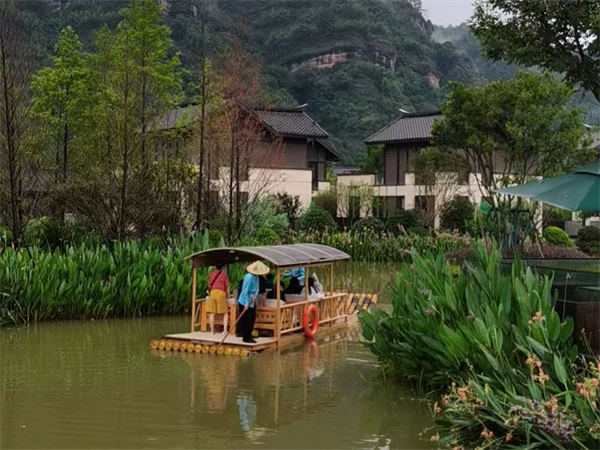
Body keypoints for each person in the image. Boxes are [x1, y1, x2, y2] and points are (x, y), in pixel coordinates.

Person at [237, 261, 269, 343]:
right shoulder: (249, 277)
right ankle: (245, 337)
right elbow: (245, 290)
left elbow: (257, 288)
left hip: (252, 299)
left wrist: (255, 295)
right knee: (246, 319)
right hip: (245, 300)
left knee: (252, 318)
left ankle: (249, 334)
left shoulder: (257, 277)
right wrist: (246, 303)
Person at [206, 263, 230, 335]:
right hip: (221, 293)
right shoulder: (224, 275)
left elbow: (209, 284)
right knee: (225, 313)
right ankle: (225, 331)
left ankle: (212, 331)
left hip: (212, 293)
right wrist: (228, 295)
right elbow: (227, 286)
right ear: (222, 267)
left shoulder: (211, 274)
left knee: (212, 313)